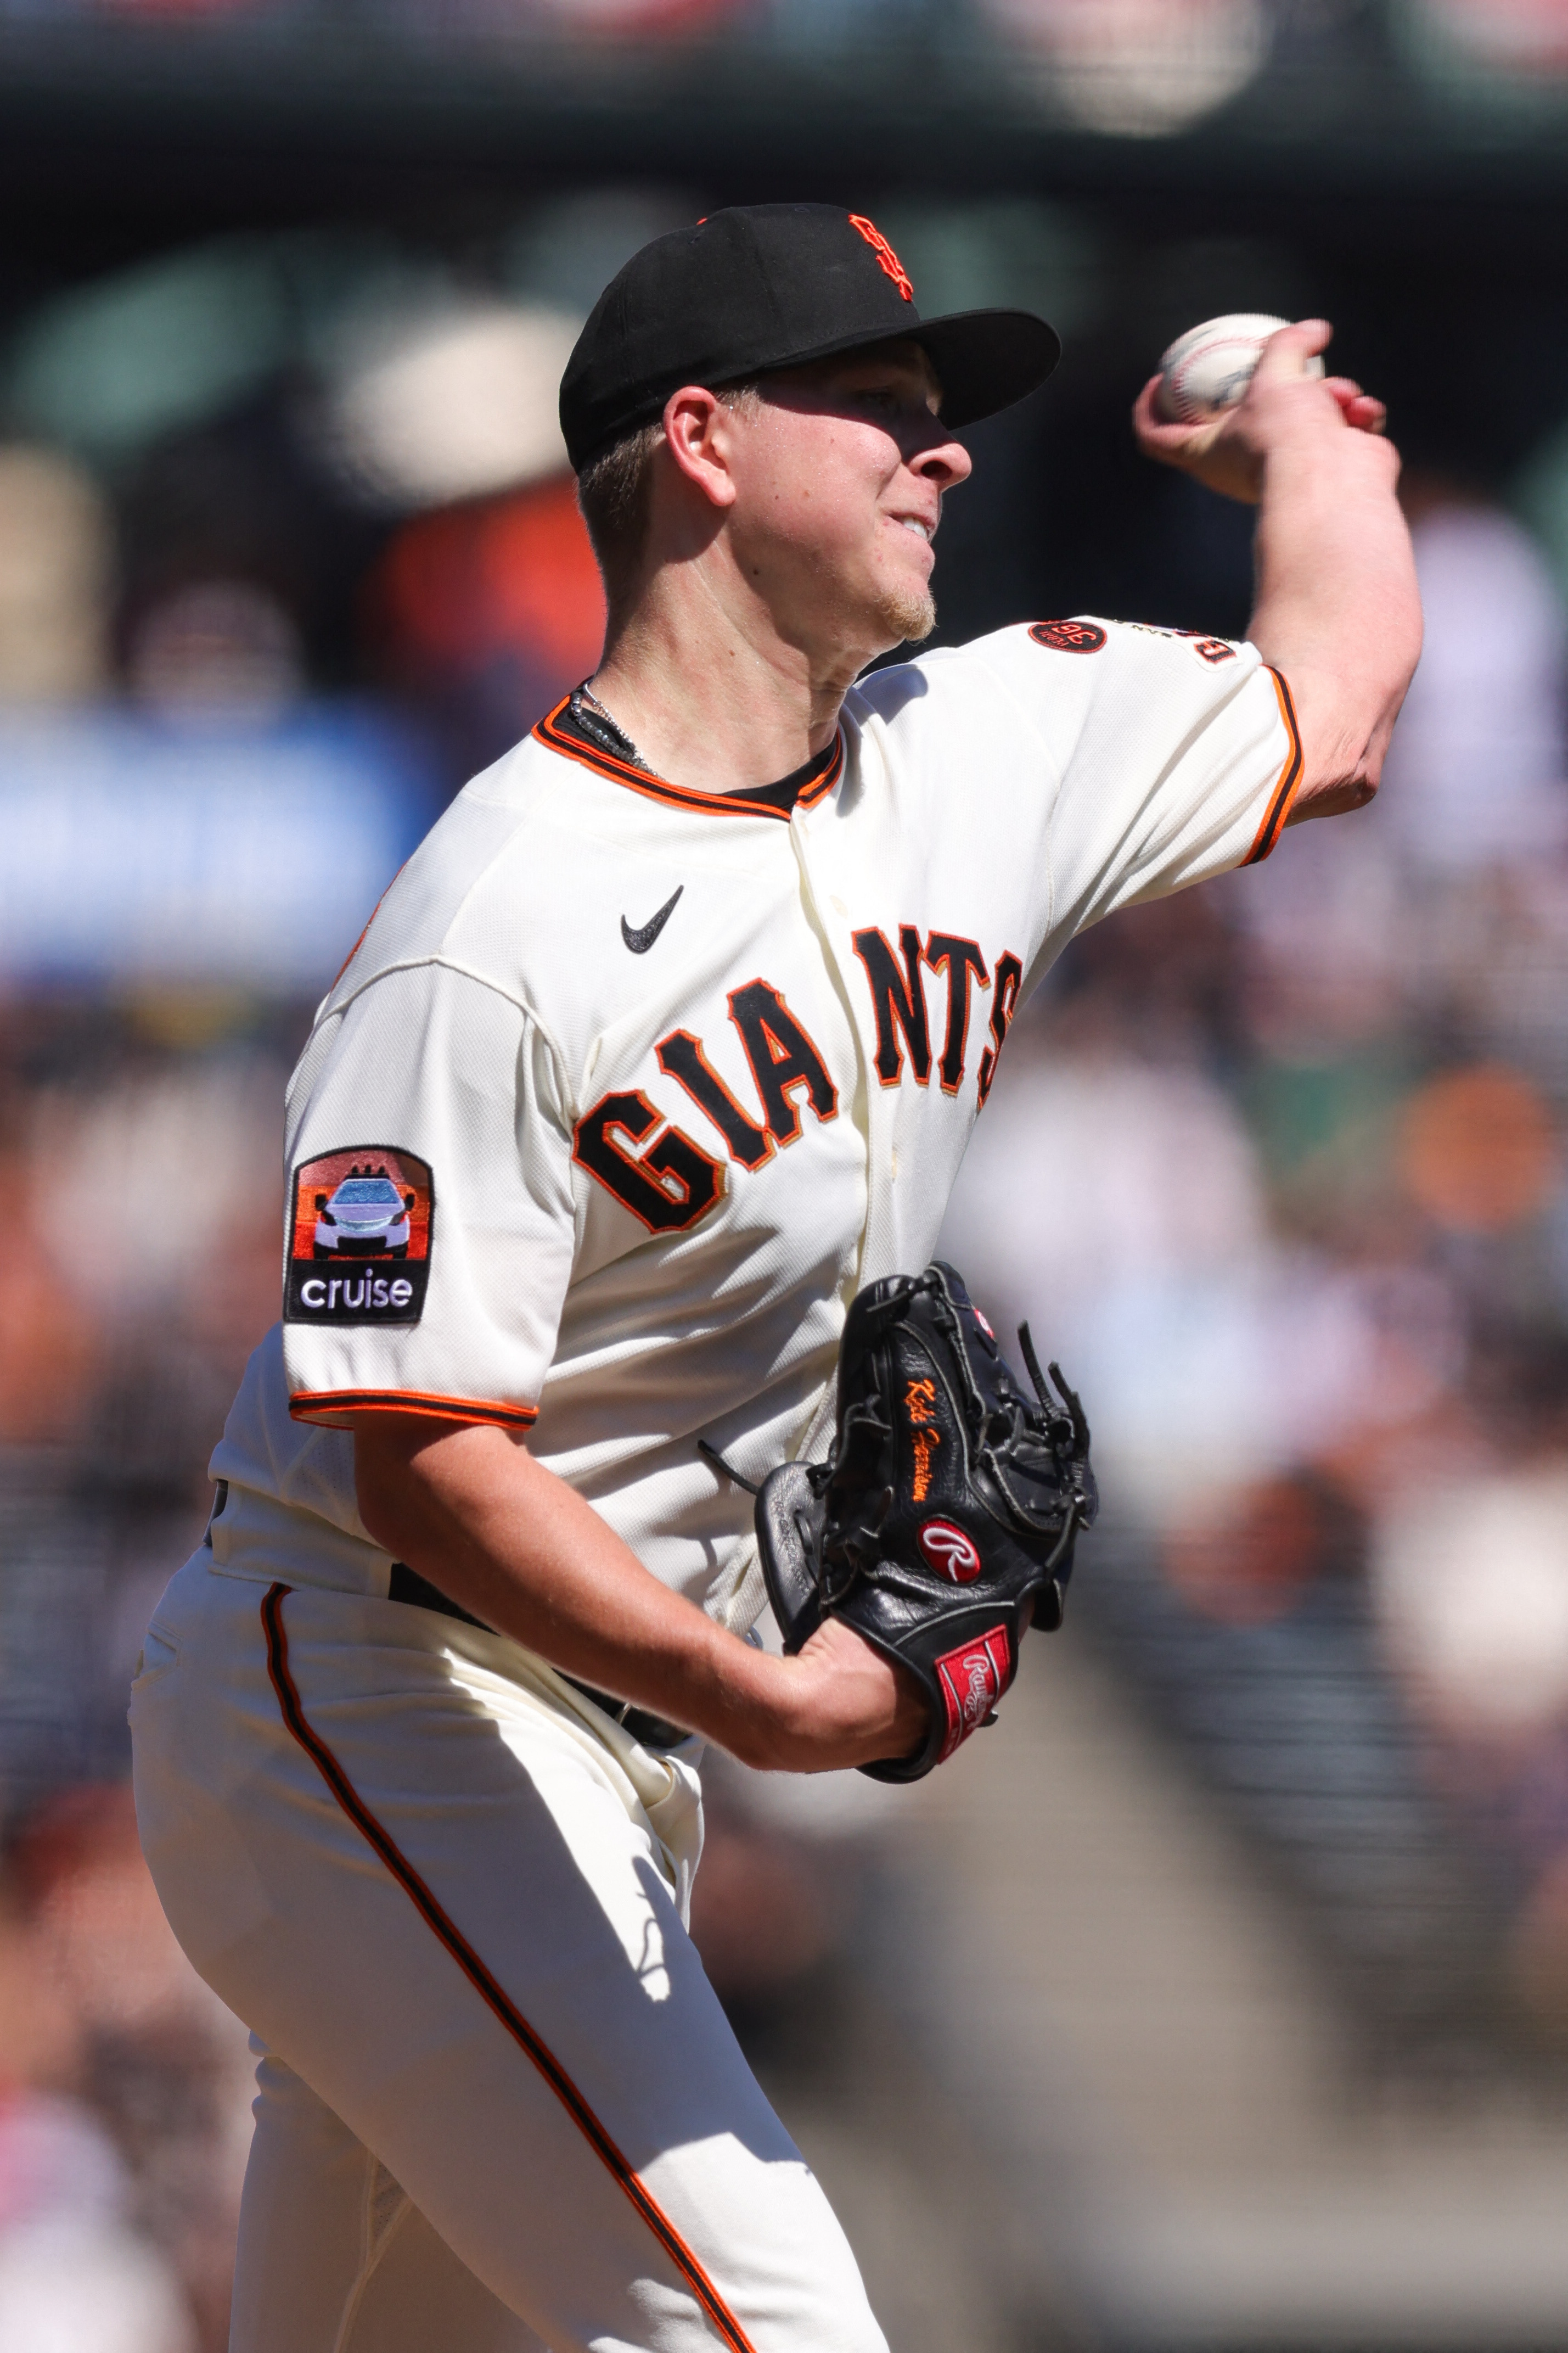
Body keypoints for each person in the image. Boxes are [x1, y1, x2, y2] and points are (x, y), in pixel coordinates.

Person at [130, 205, 1419, 2352]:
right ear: (705, 443)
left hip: (588, 1747)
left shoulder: (983, 745)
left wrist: (1311, 436)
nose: (950, 458)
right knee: (776, 2328)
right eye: (889, 408)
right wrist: (783, 1701)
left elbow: (1335, 703)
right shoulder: (491, 919)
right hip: (363, 1697)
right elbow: (407, 1449)